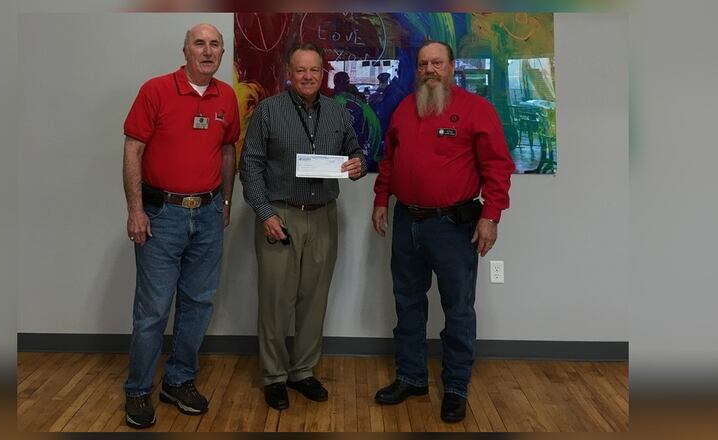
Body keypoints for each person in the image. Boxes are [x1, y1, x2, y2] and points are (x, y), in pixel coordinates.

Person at [371, 40, 515, 423]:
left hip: (454, 226)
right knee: (408, 303)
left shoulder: (476, 110)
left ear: (452, 67)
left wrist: (491, 216)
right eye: (423, 64)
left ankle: (455, 387)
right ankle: (411, 377)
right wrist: (381, 199)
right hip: (407, 222)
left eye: (437, 63)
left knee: (458, 309)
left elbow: (497, 167)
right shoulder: (404, 109)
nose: (429, 70)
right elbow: (389, 160)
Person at [121, 23, 239, 429]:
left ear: (222, 52)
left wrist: (226, 202)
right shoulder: (155, 90)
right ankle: (139, 390)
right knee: (153, 310)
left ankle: (178, 381)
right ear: (185, 50)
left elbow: (228, 151)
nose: (207, 51)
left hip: (208, 214)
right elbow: (133, 149)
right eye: (199, 44)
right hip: (161, 215)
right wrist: (135, 210)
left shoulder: (227, 97)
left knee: (198, 303)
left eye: (214, 45)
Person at [240, 42, 366, 411]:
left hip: (324, 215)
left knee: (314, 298)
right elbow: (250, 166)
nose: (308, 76)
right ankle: (274, 376)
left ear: (323, 73)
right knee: (276, 301)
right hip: (280, 215)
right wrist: (265, 213)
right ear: (289, 73)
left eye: (314, 70)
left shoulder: (337, 112)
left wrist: (358, 164)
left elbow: (355, 151)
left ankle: (303, 371)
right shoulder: (268, 111)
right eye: (300, 70)